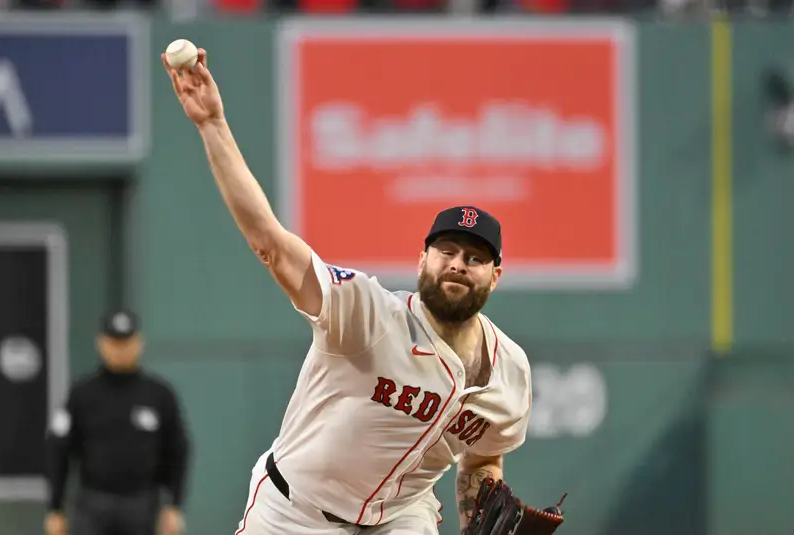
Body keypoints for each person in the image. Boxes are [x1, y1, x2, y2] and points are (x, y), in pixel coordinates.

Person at [162, 48, 532, 535]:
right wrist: (212, 124)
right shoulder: (368, 314)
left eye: (475, 258)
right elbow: (271, 245)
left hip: (399, 515)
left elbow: (483, 457)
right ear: (422, 259)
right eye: (446, 251)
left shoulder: (509, 372)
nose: (458, 265)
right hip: (297, 512)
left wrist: (476, 516)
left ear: (495, 275)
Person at [44, 310, 191, 535]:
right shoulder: (82, 394)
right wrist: (55, 508)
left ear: (139, 342)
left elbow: (178, 450)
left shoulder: (158, 394)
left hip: (142, 504)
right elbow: (58, 450)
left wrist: (174, 506)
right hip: (92, 504)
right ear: (101, 343)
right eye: (114, 342)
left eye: (126, 342)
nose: (120, 349)